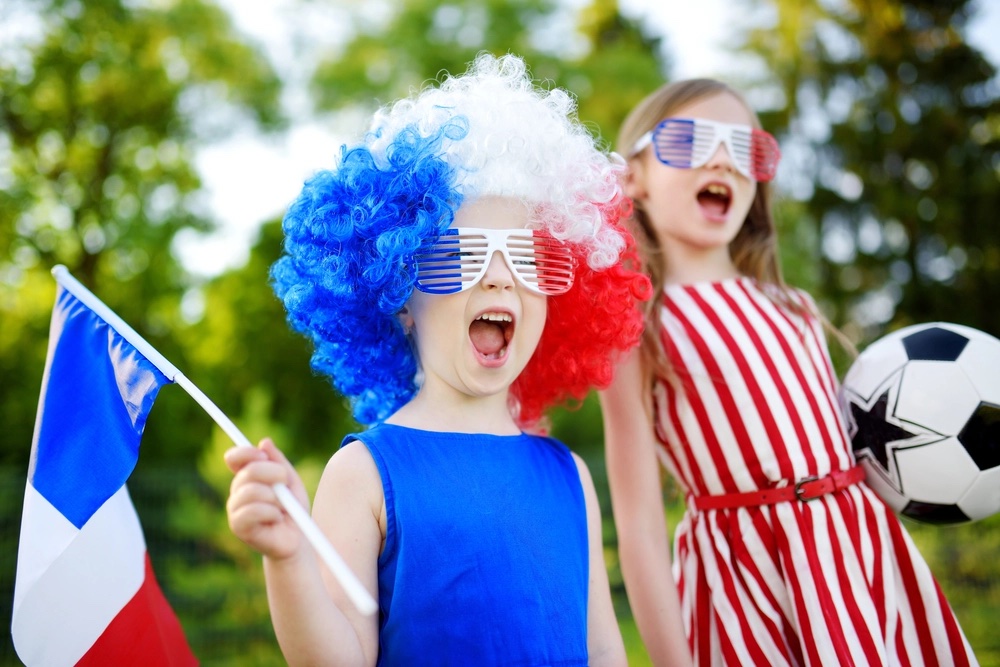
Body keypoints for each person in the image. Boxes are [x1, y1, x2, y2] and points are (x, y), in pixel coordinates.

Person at [225, 53, 649, 666]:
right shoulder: (363, 473)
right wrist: (288, 558)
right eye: (460, 256)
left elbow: (604, 652)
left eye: (528, 258)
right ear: (400, 295)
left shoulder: (569, 475)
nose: (499, 278)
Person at [600, 78, 978, 666]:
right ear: (633, 178)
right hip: (746, 583)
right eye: (689, 140)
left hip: (856, 562)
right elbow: (641, 527)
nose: (722, 159)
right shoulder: (638, 327)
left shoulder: (794, 306)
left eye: (744, 146)